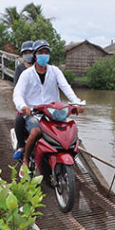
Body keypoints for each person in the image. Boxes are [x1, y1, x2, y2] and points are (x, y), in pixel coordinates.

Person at [13, 39, 84, 178]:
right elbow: (18, 93)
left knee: (70, 131)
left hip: (54, 112)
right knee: (35, 131)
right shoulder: (26, 74)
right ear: (35, 54)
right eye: (40, 52)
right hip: (34, 112)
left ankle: (63, 159)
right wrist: (23, 106)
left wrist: (76, 103)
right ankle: (26, 161)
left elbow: (66, 87)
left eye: (46, 52)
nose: (44, 55)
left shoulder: (55, 71)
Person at [12, 41, 34, 160]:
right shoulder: (20, 69)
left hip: (40, 102)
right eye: (25, 52)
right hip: (26, 102)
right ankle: (21, 146)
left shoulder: (40, 68)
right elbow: (17, 88)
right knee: (19, 119)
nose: (28, 54)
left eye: (30, 52)